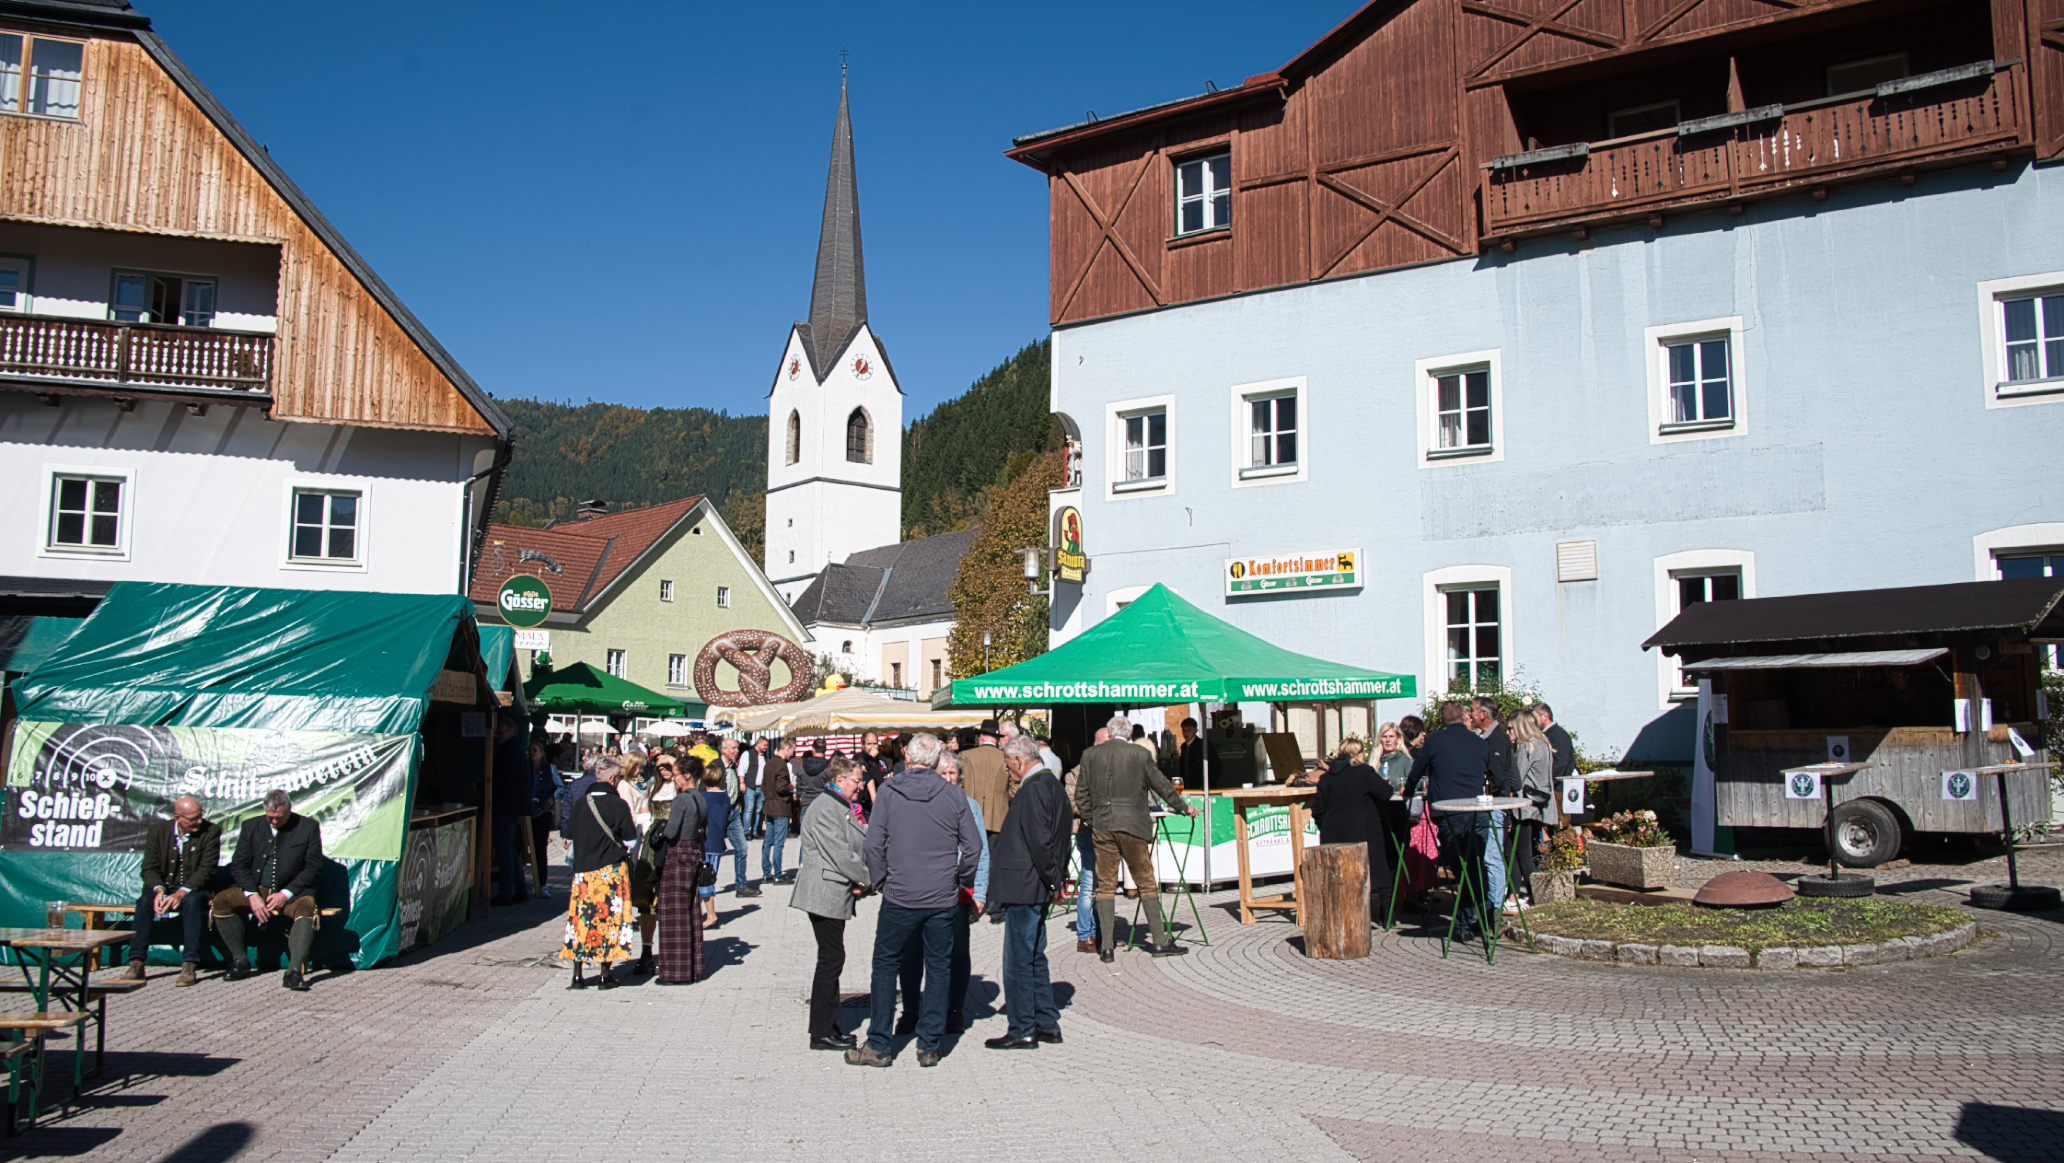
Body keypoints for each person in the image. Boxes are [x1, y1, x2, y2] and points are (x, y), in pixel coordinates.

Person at [850, 732, 981, 1069]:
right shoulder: (953, 795)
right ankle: (929, 1044)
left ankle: (879, 1043)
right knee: (938, 966)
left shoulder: (890, 792)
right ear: (936, 761)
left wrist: (880, 879)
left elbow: (873, 843)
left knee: (885, 965)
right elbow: (974, 846)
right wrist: (961, 880)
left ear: (907, 758)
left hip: (900, 893)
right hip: (941, 896)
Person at [1077, 714, 1196, 963]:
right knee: (1146, 883)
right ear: (1130, 734)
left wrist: (1092, 818)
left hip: (1102, 826)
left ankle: (1106, 947)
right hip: (1132, 825)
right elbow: (1161, 785)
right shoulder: (1140, 754)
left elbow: (1081, 794)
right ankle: (1159, 941)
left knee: (1105, 886)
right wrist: (1184, 807)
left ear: (1110, 733)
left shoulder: (1090, 754)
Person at [985, 735, 1072, 1050]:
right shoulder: (1052, 786)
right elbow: (1057, 840)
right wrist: (1056, 880)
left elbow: (1040, 842)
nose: (1008, 771)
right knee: (1034, 955)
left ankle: (1022, 1027)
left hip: (1025, 886)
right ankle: (1045, 1022)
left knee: (1019, 959)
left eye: (1008, 764)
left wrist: (1054, 882)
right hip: (1035, 885)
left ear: (1019, 761)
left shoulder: (1034, 788)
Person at [897, 750, 987, 1035]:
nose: (949, 778)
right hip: (918, 890)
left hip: (958, 892)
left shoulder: (970, 806)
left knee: (957, 952)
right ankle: (911, 1009)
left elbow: (981, 851)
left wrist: (980, 892)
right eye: (943, 773)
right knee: (912, 952)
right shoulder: (918, 803)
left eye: (952, 773)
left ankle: (954, 1010)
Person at [792, 756, 871, 1050]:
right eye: (857, 781)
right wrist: (868, 879)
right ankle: (821, 1031)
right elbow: (841, 854)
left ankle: (827, 1024)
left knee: (832, 957)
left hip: (832, 891)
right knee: (831, 959)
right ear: (840, 780)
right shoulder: (826, 808)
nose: (860, 786)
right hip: (823, 892)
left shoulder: (838, 805)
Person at [212, 789, 325, 991]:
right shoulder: (251, 826)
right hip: (256, 889)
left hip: (292, 892)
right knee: (221, 901)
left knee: (307, 908)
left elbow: (312, 867)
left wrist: (286, 894)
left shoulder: (308, 827)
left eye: (278, 817)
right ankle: (240, 961)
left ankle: (293, 972)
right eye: (269, 817)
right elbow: (239, 865)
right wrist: (252, 894)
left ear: (289, 809)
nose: (273, 821)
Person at [1404, 703, 1492, 939]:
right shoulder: (1478, 742)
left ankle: (1466, 924)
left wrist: (1408, 791)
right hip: (1477, 810)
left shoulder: (1434, 741)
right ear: (1463, 717)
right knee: (1475, 867)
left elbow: (1417, 770)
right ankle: (1485, 916)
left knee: (1464, 869)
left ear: (1442, 719)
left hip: (1448, 811)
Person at [124, 795, 222, 987]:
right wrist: (159, 890)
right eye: (193, 819)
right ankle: (136, 961)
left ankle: (189, 963)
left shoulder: (211, 831)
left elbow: (207, 869)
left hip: (195, 889)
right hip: (165, 887)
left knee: (192, 902)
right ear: (177, 818)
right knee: (144, 901)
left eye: (200, 816)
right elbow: (149, 867)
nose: (199, 821)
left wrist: (181, 893)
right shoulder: (157, 831)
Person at [562, 755, 637, 989]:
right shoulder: (618, 805)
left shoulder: (581, 804)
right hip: (610, 871)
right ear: (613, 779)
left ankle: (577, 976)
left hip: (584, 873)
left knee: (581, 921)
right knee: (609, 922)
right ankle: (605, 975)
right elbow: (631, 841)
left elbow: (569, 837)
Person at [1309, 739, 1396, 922]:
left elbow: (1317, 809)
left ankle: (1340, 916)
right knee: (1380, 872)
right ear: (1358, 753)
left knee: (1338, 877)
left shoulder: (1327, 778)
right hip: (1364, 831)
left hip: (1334, 835)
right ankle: (1387, 916)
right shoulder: (1364, 772)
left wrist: (1325, 826)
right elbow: (1386, 792)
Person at [654, 755, 710, 985]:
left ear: (687, 775)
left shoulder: (681, 800)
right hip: (694, 852)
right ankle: (694, 968)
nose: (674, 779)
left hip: (678, 854)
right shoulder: (701, 798)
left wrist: (658, 829)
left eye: (676, 774)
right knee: (691, 911)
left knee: (672, 914)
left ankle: (675, 973)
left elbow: (671, 832)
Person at [628, 754, 676, 975]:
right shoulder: (652, 787)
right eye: (660, 767)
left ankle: (670, 952)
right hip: (652, 844)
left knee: (668, 901)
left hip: (671, 843)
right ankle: (646, 952)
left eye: (668, 766)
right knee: (647, 902)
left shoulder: (681, 787)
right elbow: (644, 814)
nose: (664, 770)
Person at [1065, 727, 1109, 953]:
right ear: (1095, 745)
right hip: (1087, 831)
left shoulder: (1113, 769)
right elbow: (1071, 801)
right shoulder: (1076, 773)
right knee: (1089, 883)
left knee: (1104, 885)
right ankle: (1085, 936)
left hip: (1108, 832)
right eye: (1105, 742)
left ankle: (1103, 934)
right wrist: (1094, 810)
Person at [1472, 695, 1518, 913]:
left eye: (1473, 710)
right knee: (1487, 856)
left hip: (1495, 806)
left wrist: (1488, 793)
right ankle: (1488, 906)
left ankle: (1496, 910)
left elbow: (1498, 777)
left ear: (1483, 714)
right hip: (1488, 805)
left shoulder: (1497, 738)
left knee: (1493, 857)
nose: (1470, 714)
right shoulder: (1486, 738)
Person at [1507, 708, 1556, 910]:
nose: (1508, 732)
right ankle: (1515, 895)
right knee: (1520, 850)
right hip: (1539, 805)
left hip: (1524, 806)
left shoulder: (1527, 747)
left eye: (1511, 728)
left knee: (1523, 853)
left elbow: (1516, 778)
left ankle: (1535, 895)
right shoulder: (1543, 744)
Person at [489, 713, 534, 906]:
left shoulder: (510, 751)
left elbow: (505, 779)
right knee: (508, 848)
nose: (498, 736)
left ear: (511, 733)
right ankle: (520, 889)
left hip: (507, 805)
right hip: (513, 805)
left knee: (504, 849)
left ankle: (506, 891)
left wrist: (485, 786)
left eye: (501, 733)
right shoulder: (515, 749)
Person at [957, 723, 1012, 840]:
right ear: (997, 738)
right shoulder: (1006, 758)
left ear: (981, 737)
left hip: (969, 818)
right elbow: (1014, 790)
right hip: (999, 821)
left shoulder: (964, 756)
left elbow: (958, 787)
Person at [528, 736, 564, 890]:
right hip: (526, 812)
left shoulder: (550, 769)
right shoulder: (525, 769)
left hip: (543, 812)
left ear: (542, 753)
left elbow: (560, 787)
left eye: (535, 750)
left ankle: (542, 883)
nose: (532, 753)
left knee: (540, 848)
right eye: (530, 751)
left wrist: (552, 797)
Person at [699, 764, 733, 928]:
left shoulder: (703, 797)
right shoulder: (725, 797)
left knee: (705, 879)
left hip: (705, 843)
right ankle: (700, 913)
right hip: (718, 842)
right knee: (709, 877)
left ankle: (711, 916)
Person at [761, 737, 796, 885]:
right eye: (792, 751)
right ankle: (778, 874)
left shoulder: (769, 762)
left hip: (769, 806)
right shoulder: (782, 765)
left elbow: (763, 785)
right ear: (787, 748)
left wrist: (769, 797)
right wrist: (791, 786)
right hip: (780, 807)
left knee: (768, 841)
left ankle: (766, 873)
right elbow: (781, 788)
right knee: (778, 843)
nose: (793, 755)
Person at [1533, 702, 1576, 787]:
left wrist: (1545, 782)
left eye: (1534, 718)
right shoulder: (1547, 734)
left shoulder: (1558, 735)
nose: (1532, 722)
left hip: (1560, 787)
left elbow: (1561, 763)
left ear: (1545, 716)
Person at [732, 737, 765, 841]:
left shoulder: (764, 756)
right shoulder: (748, 754)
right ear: (758, 744)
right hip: (750, 786)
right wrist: (742, 783)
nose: (766, 747)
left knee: (758, 810)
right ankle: (747, 831)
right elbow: (741, 769)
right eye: (764, 745)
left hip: (761, 787)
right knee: (749, 809)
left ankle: (755, 831)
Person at [1178, 717, 1204, 788]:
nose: (1186, 733)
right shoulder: (1184, 746)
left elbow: (1216, 767)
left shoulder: (1203, 745)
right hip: (1187, 787)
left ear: (1196, 730)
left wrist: (1208, 785)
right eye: (1184, 730)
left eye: (1189, 730)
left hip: (1200, 787)